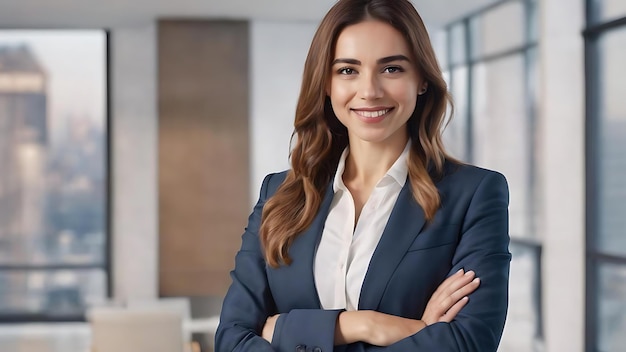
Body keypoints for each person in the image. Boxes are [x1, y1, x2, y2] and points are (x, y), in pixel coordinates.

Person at [215, 0, 511, 351]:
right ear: (326, 83)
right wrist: (367, 325)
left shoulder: (474, 194)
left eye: (391, 69)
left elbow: (467, 343)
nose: (369, 91)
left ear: (421, 80)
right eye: (347, 70)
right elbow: (232, 339)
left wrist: (286, 331)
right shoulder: (279, 193)